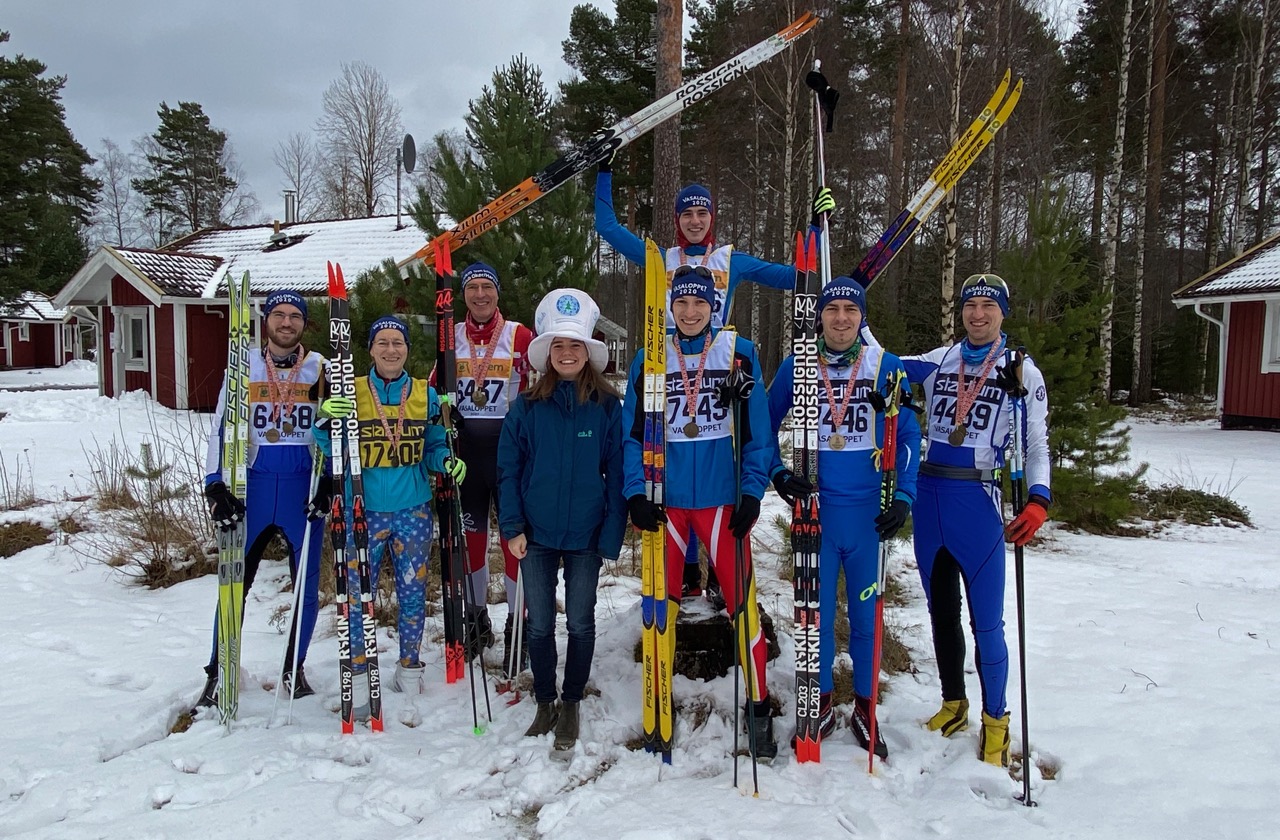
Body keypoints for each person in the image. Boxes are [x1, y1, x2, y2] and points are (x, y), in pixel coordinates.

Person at [596, 157, 835, 601]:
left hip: (719, 369)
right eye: (686, 214)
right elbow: (608, 229)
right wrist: (605, 174)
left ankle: (723, 578)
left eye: (702, 213)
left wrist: (817, 229)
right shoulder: (658, 258)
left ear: (712, 218)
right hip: (667, 371)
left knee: (727, 455)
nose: (694, 221)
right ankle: (686, 570)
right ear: (676, 219)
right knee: (671, 463)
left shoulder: (730, 259)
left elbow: (795, 277)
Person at [622, 268, 778, 760]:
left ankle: (758, 707)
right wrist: (634, 493)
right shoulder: (649, 357)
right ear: (669, 307)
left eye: (700, 304)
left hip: (719, 501)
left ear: (715, 306)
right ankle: (658, 699)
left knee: (742, 603)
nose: (690, 313)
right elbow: (632, 434)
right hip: (665, 502)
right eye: (682, 304)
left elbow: (757, 433)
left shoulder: (738, 352)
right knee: (661, 605)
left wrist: (752, 492)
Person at [900, 273, 1051, 767]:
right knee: (941, 613)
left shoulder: (1021, 370)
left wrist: (1038, 500)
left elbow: (1036, 445)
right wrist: (851, 299)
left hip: (978, 501)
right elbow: (880, 362)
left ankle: (996, 721)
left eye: (989, 305)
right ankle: (953, 704)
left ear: (1003, 311)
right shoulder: (939, 360)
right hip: (929, 496)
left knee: (986, 623)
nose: (978, 314)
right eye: (971, 305)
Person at [767, 278, 920, 759]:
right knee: (816, 620)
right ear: (820, 317)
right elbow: (762, 426)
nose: (839, 319)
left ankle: (866, 708)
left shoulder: (885, 366)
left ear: (861, 318)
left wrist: (904, 497)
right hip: (816, 513)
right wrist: (777, 473)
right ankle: (821, 703)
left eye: (849, 311)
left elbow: (912, 435)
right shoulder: (799, 366)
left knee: (866, 616)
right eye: (831, 309)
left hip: (868, 516)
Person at [496, 289, 626, 752]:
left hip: (586, 535)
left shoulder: (609, 406)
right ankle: (545, 700)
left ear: (588, 353)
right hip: (535, 535)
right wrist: (511, 527)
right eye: (558, 346)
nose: (567, 353)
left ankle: (571, 701)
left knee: (581, 623)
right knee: (538, 625)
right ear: (548, 354)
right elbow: (508, 470)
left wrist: (611, 534)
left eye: (575, 346)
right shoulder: (528, 406)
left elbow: (617, 475)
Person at [312, 316, 464, 708]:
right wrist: (326, 417)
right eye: (383, 342)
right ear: (371, 349)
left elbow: (433, 445)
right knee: (358, 596)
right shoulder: (353, 390)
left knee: (413, 593)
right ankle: (359, 668)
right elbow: (329, 448)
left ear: (408, 349)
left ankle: (409, 667)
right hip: (363, 509)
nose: (391, 349)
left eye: (398, 342)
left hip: (412, 511)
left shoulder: (424, 394)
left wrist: (447, 459)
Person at [197, 289, 329, 709]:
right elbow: (220, 425)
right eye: (279, 315)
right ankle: (220, 669)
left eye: (295, 316)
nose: (286, 322)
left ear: (304, 324)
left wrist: (331, 481)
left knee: (305, 587)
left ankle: (295, 666)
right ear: (266, 320)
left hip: (300, 487)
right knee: (233, 584)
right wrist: (214, 482)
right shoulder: (243, 365)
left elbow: (337, 423)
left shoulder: (320, 367)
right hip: (250, 486)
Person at [430, 262, 535, 673]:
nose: (479, 295)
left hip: (509, 454)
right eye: (471, 288)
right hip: (466, 456)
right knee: (471, 543)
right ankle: (475, 620)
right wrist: (443, 413)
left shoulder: (519, 336)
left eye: (486, 288)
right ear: (463, 295)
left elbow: (537, 385)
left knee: (515, 544)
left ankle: (519, 627)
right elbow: (432, 389)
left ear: (497, 294)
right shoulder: (450, 336)